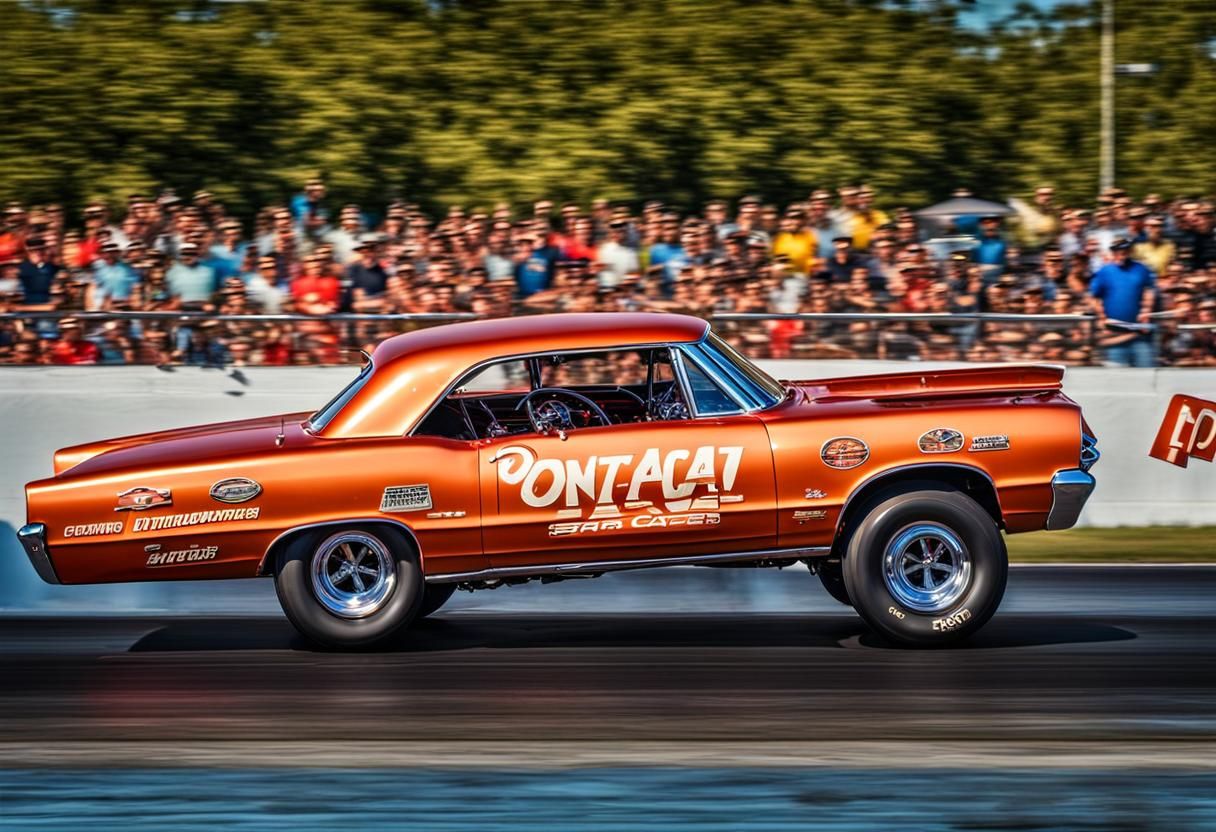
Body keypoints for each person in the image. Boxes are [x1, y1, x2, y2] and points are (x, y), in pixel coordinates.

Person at [1089, 238, 1157, 367]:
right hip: (1115, 335)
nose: (1121, 253)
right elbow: (1094, 297)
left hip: (1139, 334)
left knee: (1147, 371)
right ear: (1113, 252)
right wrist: (1102, 317)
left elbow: (1149, 290)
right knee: (1118, 376)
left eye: (1124, 250)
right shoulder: (1104, 272)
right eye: (1117, 250)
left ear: (1130, 250)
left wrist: (1147, 310)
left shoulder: (1141, 269)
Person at [17, 237, 59, 304]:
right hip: (30, 305)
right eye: (34, 251)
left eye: (41, 250)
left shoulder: (49, 267)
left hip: (47, 304)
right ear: (29, 253)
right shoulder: (23, 268)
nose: (38, 253)